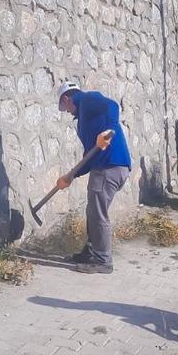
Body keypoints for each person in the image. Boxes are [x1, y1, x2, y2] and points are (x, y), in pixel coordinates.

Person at [56, 81, 132, 274]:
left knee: (98, 214)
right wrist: (71, 176)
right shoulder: (84, 117)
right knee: (93, 211)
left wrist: (109, 130)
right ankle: (91, 251)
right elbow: (89, 156)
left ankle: (102, 260)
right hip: (104, 166)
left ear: (67, 99)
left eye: (65, 107)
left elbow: (112, 106)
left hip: (109, 166)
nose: (67, 112)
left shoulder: (86, 100)